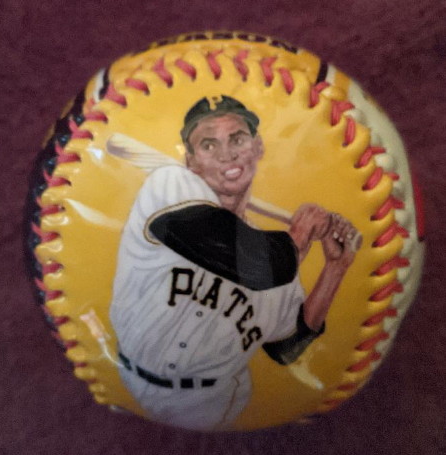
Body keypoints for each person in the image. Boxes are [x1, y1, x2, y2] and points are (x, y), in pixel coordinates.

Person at [109, 95, 359, 430]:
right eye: (208, 145)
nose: (226, 154)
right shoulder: (169, 186)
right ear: (191, 161)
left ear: (258, 148)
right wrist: (300, 233)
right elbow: (249, 262)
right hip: (122, 376)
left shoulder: (278, 255)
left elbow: (287, 347)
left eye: (237, 139)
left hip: (214, 404)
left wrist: (335, 268)